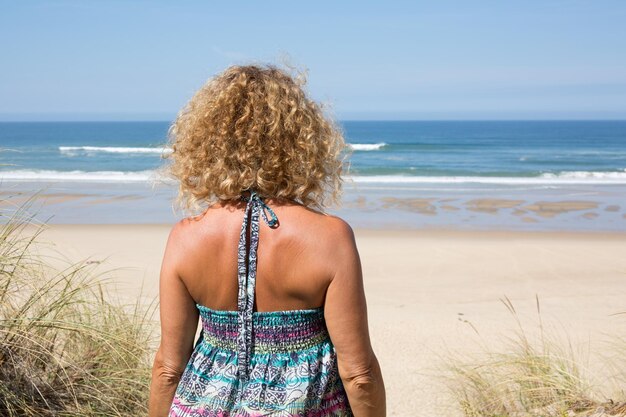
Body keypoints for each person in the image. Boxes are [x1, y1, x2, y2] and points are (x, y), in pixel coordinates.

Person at [148, 64, 386, 416]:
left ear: (209, 144)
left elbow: (168, 369)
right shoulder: (330, 237)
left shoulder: (186, 238)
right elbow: (359, 373)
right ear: (300, 140)